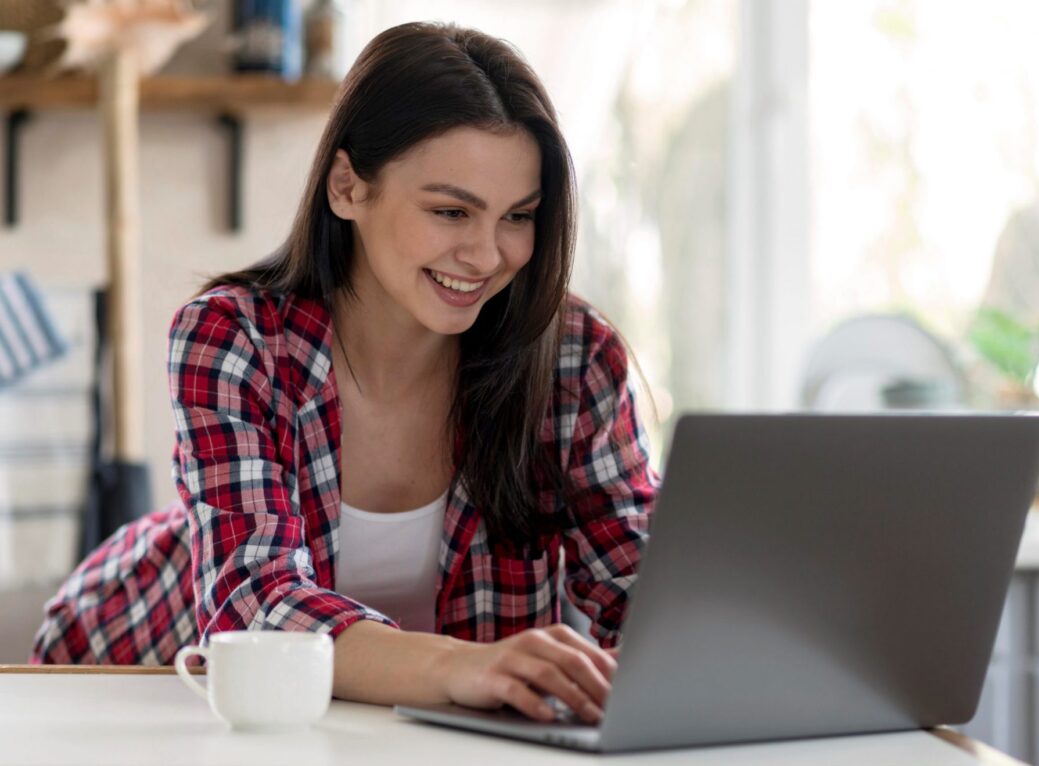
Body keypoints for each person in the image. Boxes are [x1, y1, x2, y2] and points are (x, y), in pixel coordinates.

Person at [30, 22, 658, 725]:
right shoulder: (233, 340)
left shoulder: (573, 359)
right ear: (346, 188)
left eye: (519, 216)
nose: (486, 255)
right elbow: (257, 611)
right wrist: (462, 663)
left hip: (402, 726)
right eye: (450, 211)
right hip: (132, 679)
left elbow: (643, 585)